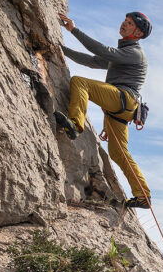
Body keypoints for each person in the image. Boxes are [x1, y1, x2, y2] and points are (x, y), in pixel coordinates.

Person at [55, 11, 153, 209]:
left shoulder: (134, 53)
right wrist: (60, 50)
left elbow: (103, 51)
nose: (124, 24)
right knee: (118, 153)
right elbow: (92, 61)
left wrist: (73, 30)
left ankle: (75, 123)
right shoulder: (124, 53)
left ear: (139, 34)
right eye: (124, 21)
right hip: (123, 108)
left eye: (130, 24)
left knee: (80, 83)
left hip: (123, 99)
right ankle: (143, 195)